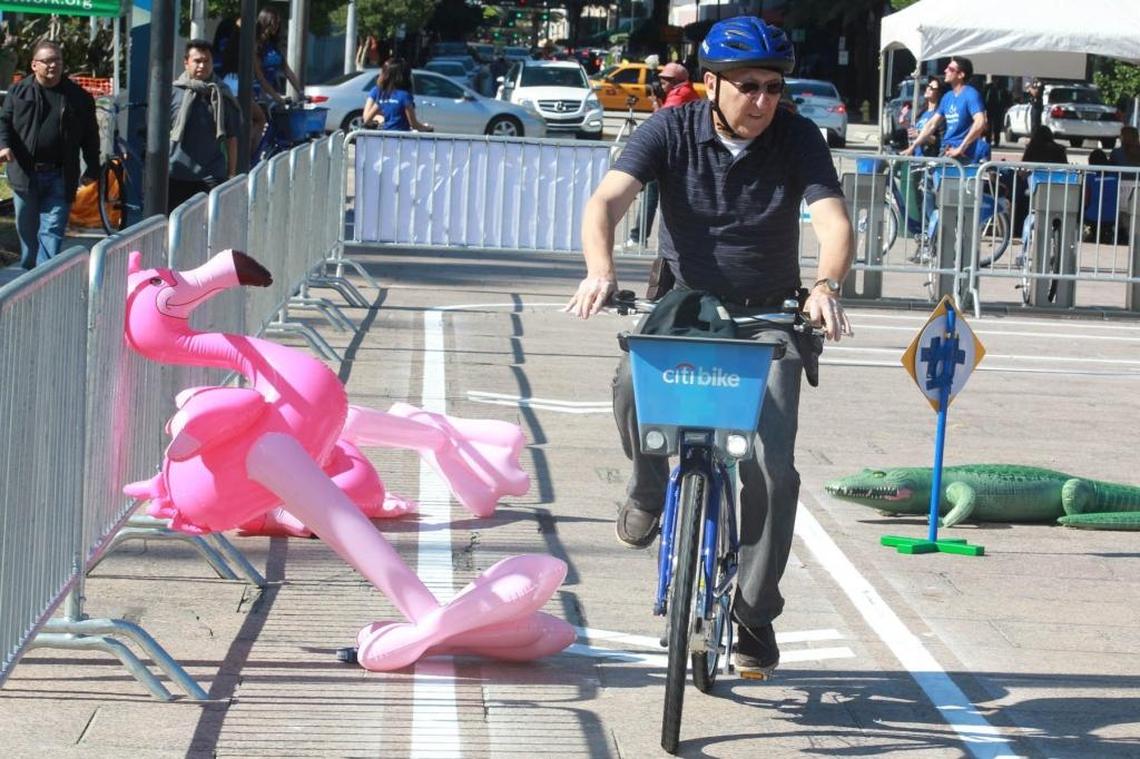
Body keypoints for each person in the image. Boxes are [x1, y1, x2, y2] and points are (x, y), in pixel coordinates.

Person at [565, 16, 854, 679]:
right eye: (747, 85)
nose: (762, 100)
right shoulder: (670, 129)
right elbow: (606, 201)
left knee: (771, 467)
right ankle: (645, 489)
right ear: (709, 84)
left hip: (769, 319)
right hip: (683, 308)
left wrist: (825, 284)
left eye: (774, 87)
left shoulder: (798, 137)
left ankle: (754, 612)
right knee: (628, 384)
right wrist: (600, 268)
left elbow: (834, 219)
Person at [0, 40, 99, 271]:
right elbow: (3, 122)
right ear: (34, 65)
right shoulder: (18, 91)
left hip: (60, 175)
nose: (53, 65)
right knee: (27, 230)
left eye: (57, 60)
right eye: (47, 61)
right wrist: (3, 146)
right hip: (25, 173)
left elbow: (90, 136)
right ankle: (28, 271)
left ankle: (44, 278)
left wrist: (93, 168)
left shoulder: (79, 97)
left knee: (52, 230)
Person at [627, 62, 702, 247]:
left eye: (664, 80)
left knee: (653, 194)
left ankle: (638, 238)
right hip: (678, 153)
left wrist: (656, 104)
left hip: (672, 154)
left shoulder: (680, 94)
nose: (660, 84)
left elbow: (663, 120)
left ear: (674, 81)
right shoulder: (682, 92)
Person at [168, 39, 242, 213]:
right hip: (176, 174)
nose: (202, 65)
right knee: (173, 229)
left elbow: (232, 138)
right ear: (186, 63)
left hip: (211, 175)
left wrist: (231, 175)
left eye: (206, 61)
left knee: (208, 230)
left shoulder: (221, 94)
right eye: (197, 61)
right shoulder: (172, 92)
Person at [905, 56, 988, 163]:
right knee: (932, 175)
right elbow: (931, 124)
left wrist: (961, 148)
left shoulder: (971, 94)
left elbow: (980, 122)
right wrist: (914, 146)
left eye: (950, 69)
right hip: (946, 150)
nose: (945, 71)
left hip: (963, 155)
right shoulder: (947, 97)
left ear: (961, 75)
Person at [362, 59, 433, 132]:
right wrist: (427, 127)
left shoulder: (383, 96)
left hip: (385, 136)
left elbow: (367, 120)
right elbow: (413, 124)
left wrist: (377, 123)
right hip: (400, 138)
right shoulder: (405, 96)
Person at [906, 76, 945, 156]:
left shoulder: (939, 115)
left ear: (938, 93)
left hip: (929, 159)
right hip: (916, 157)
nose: (928, 89)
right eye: (928, 86)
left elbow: (940, 141)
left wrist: (920, 135)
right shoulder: (922, 112)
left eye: (931, 88)